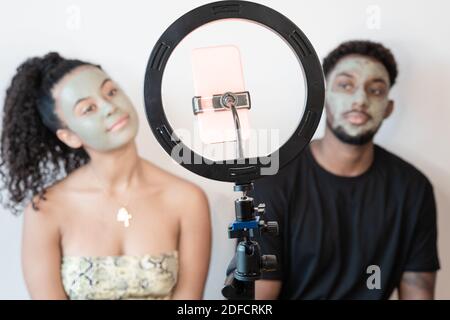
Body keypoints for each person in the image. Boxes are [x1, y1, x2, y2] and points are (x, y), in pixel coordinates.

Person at [0, 52, 211, 300]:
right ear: (69, 136)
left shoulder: (187, 200)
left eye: (111, 92)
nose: (110, 107)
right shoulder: (46, 210)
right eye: (88, 108)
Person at [253, 40, 440, 299]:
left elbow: (418, 291)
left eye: (375, 90)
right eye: (345, 85)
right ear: (323, 96)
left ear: (388, 108)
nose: (360, 100)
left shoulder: (413, 189)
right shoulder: (272, 181)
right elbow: (260, 299)